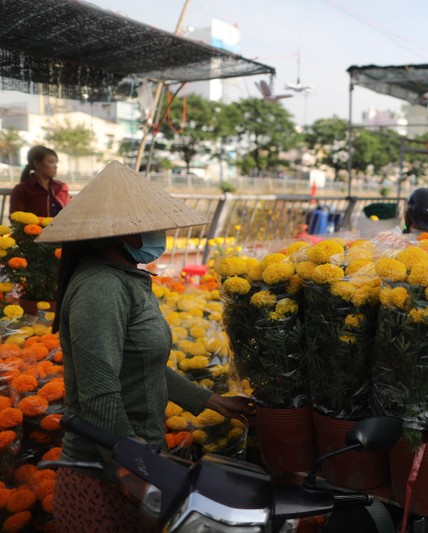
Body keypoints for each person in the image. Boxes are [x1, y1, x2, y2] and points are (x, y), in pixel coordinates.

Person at [38, 161, 255, 532]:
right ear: (128, 234)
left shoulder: (123, 279)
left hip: (136, 461)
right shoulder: (100, 289)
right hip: (107, 477)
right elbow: (98, 392)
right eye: (153, 227)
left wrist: (215, 403)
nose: (161, 235)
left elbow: (143, 366)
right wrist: (133, 465)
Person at [10, 145, 70, 217]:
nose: (55, 166)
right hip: (35, 228)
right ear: (37, 164)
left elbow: (70, 212)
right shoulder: (22, 189)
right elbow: (15, 218)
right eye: (51, 162)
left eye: (56, 163)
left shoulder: (60, 187)